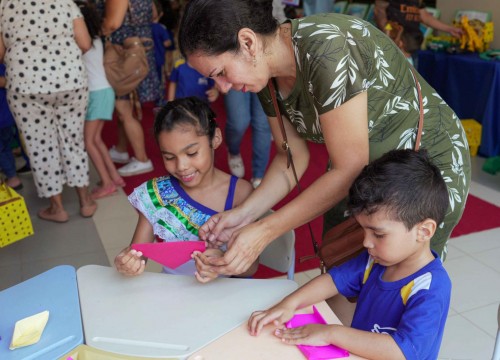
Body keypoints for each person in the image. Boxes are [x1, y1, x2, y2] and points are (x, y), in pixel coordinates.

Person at [177, 0, 470, 277]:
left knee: (389, 290)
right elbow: (291, 156)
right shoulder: (264, 76)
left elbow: (350, 167)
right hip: (367, 176)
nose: (223, 88)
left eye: (221, 73)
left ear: (248, 43)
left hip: (422, 168)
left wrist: (265, 230)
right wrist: (244, 215)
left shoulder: (328, 48)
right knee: (338, 269)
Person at [248, 149, 452, 360]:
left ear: (424, 231)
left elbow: (401, 351)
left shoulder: (431, 287)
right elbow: (333, 280)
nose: (366, 242)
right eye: (363, 230)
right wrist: (289, 304)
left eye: (378, 234)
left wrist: (332, 333)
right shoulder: (376, 260)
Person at [114, 97, 257, 283]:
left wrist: (223, 260)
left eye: (191, 153)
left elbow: (251, 268)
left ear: (215, 138)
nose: (181, 166)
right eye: (169, 157)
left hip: (223, 294)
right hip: (173, 294)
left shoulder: (241, 194)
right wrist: (127, 262)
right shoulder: (158, 193)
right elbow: (139, 253)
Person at [0, 0, 97, 223]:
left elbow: (0, 51)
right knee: (73, 140)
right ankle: (86, 201)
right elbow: (84, 43)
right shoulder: (65, 2)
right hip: (69, 80)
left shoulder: (5, 5)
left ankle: (57, 207)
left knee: (39, 144)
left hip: (26, 84)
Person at [98, 0, 160, 177]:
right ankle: (121, 148)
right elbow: (154, 15)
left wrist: (94, 30)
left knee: (123, 109)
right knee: (126, 106)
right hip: (137, 52)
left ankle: (142, 159)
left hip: (123, 56)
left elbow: (112, 23)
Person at [77, 1, 126, 200]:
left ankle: (106, 183)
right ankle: (114, 177)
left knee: (88, 141)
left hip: (96, 93)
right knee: (96, 139)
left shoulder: (80, 41)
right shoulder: (96, 38)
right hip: (105, 90)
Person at [374, 0, 462, 64]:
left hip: (412, 46)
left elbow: (424, 16)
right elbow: (379, 11)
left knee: (412, 82)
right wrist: (390, 37)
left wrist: (450, 29)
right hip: (395, 46)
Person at [225, 90, 271, 189]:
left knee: (262, 124)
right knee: (238, 123)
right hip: (234, 76)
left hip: (267, 78)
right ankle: (233, 152)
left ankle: (258, 176)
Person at [0, 63, 22, 190]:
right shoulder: (4, 63)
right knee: (5, 148)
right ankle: (11, 175)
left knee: (2, 149)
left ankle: (12, 177)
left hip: (3, 118)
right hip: (7, 116)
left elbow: (5, 81)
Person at [151, 0, 172, 103]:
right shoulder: (161, 28)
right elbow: (167, 43)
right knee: (160, 79)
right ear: (161, 14)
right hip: (159, 58)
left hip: (147, 58)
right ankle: (159, 99)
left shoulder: (145, 28)